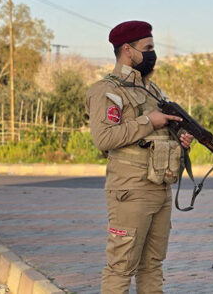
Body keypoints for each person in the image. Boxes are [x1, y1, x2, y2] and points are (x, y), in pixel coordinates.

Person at [85, 20, 193, 293]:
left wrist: (179, 141)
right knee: (121, 267)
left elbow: (160, 133)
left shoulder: (152, 90)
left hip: (160, 187)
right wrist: (149, 121)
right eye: (148, 48)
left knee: (153, 265)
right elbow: (105, 138)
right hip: (131, 190)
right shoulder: (107, 91)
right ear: (128, 50)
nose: (152, 54)